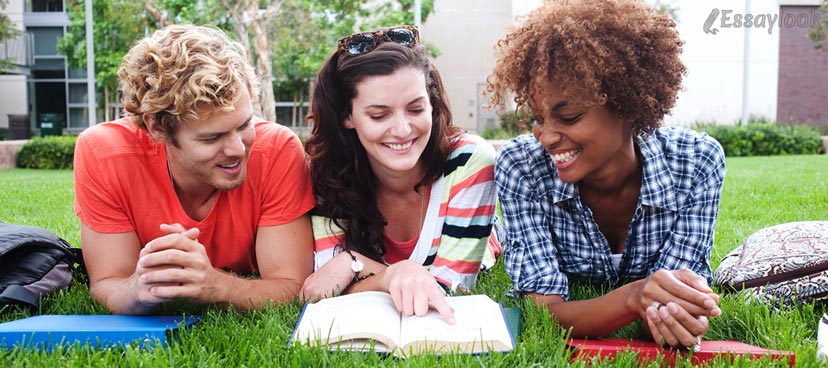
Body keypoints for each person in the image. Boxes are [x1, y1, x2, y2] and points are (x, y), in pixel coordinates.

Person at [485, 0, 725, 348]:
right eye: (538, 118)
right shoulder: (522, 167)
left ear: (627, 107)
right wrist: (634, 298)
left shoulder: (695, 163)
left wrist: (672, 314)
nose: (547, 137)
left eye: (568, 118)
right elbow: (543, 312)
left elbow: (674, 304)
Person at [73, 25, 316, 315]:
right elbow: (107, 283)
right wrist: (138, 288)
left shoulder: (277, 149)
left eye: (244, 125)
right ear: (157, 127)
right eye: (212, 137)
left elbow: (292, 286)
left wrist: (218, 287)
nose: (238, 149)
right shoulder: (104, 153)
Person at [300, 26, 499, 324]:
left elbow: (450, 288)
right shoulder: (326, 171)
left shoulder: (470, 161)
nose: (403, 130)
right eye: (379, 115)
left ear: (432, 104)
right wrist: (393, 274)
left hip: (482, 232)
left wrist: (355, 265)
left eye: (416, 109)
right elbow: (326, 285)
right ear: (347, 116)